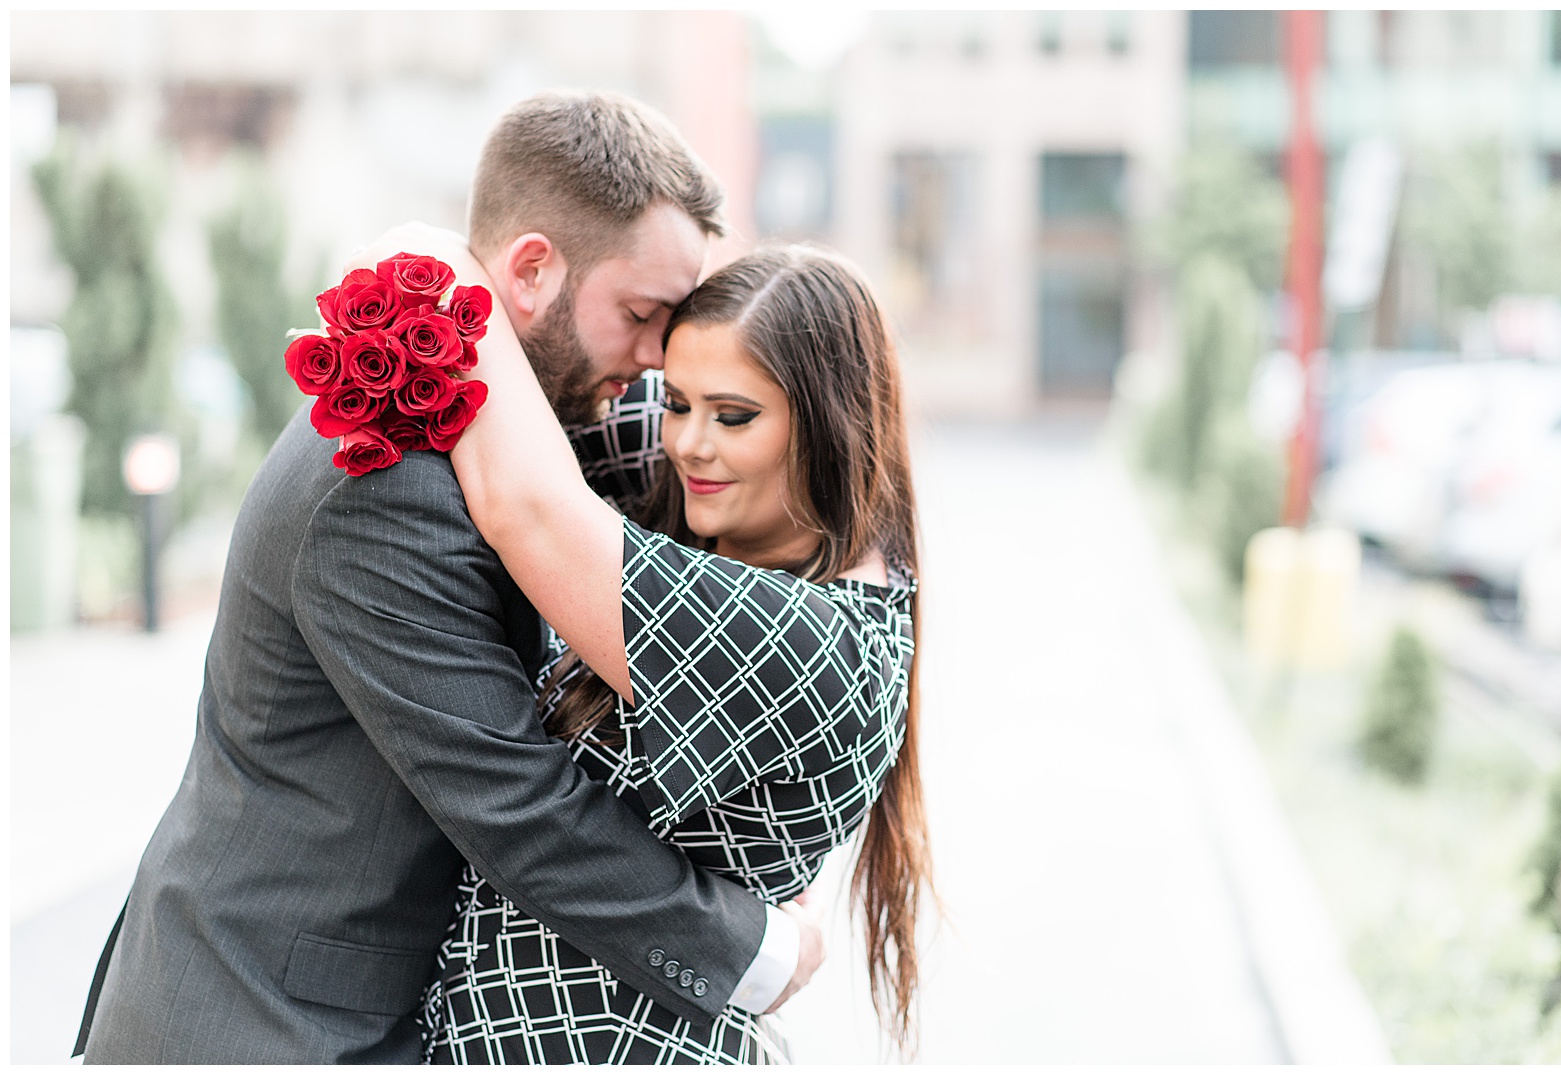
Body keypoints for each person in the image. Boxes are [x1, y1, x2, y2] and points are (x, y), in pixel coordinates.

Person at [75, 92, 823, 1065]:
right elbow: (515, 801)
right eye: (640, 315)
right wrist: (756, 950)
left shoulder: (506, 429)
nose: (652, 360)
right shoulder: (383, 480)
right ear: (530, 269)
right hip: (258, 1023)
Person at [373, 234, 933, 1063]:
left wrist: (433, 259)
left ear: (828, 422)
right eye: (677, 402)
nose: (689, 443)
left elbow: (525, 502)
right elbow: (570, 386)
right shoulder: (759, 510)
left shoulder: (815, 643)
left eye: (733, 416)